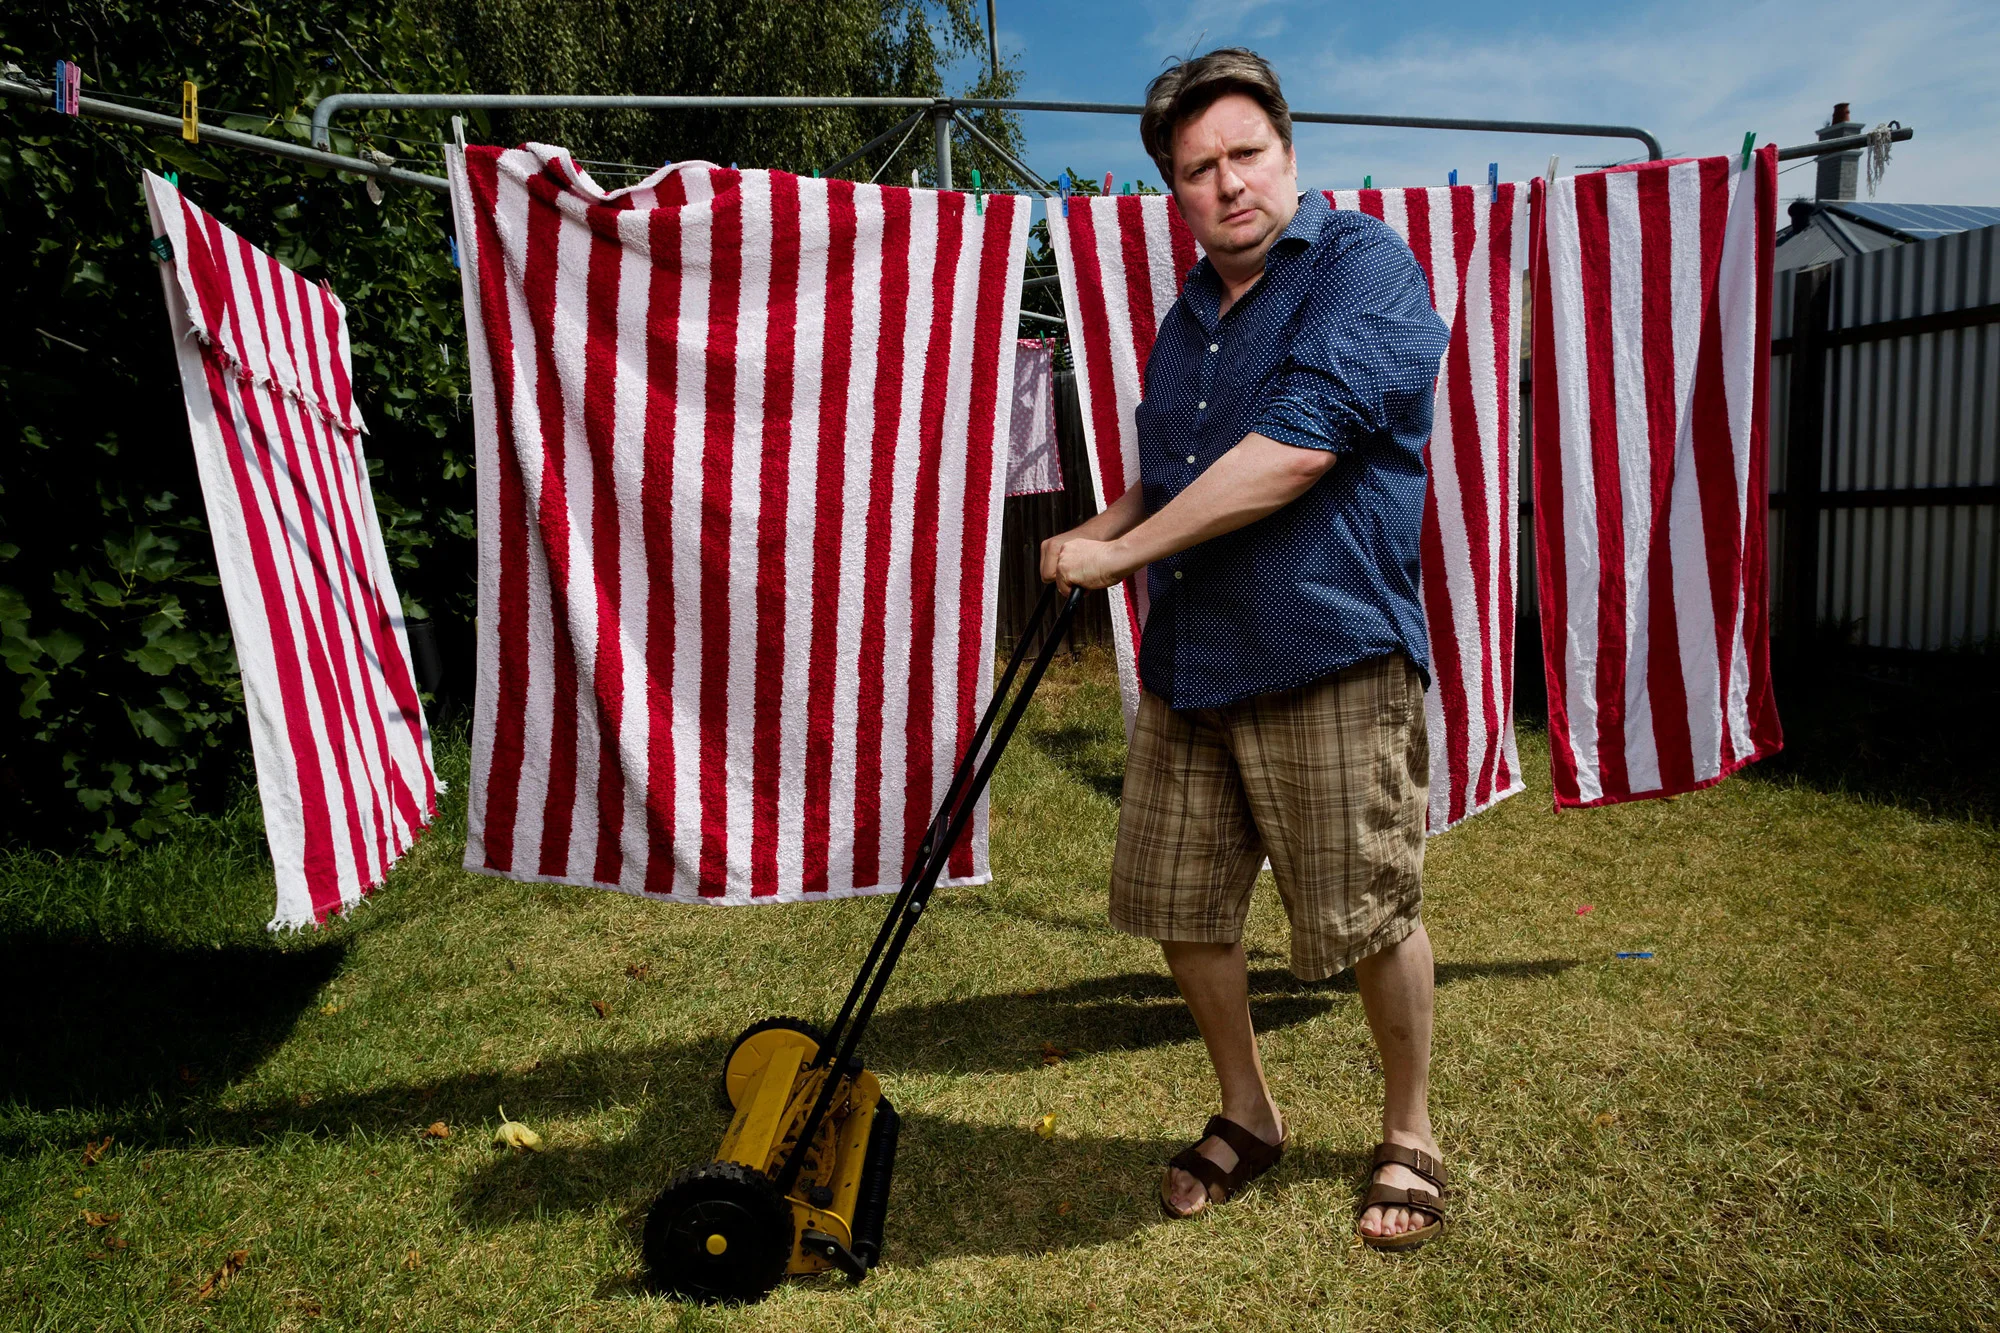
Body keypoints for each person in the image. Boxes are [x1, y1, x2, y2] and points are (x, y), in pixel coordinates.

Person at [1039, 48, 1451, 1251]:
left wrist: (1122, 559)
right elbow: (1171, 470)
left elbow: (1298, 446)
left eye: (1243, 155)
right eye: (1196, 169)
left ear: (1287, 154)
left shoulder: (1362, 267)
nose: (1225, 184)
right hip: (1191, 663)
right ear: (1172, 190)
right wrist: (1107, 523)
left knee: (1368, 912)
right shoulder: (1182, 323)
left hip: (1326, 645)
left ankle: (1409, 1130)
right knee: (1184, 907)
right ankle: (1248, 1111)